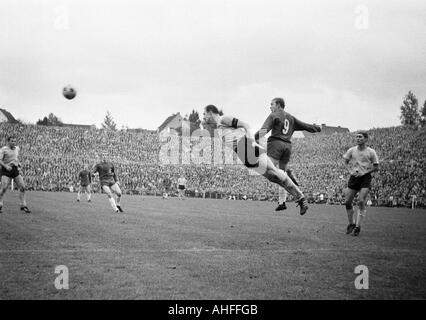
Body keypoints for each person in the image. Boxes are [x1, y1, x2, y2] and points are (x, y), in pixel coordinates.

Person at [203, 104, 308, 215]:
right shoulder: (218, 128)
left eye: (204, 113)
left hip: (249, 147)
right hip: (244, 155)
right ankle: (289, 180)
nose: (203, 116)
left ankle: (300, 197)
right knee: (274, 178)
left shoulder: (224, 119)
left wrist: (252, 142)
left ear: (210, 112)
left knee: (275, 174)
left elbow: (246, 125)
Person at [255, 97, 321, 211]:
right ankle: (282, 202)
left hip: (276, 145)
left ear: (278, 105)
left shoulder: (274, 115)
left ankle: (293, 189)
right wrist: (317, 128)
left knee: (270, 172)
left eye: (272, 104)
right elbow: (306, 126)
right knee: (281, 173)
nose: (270, 107)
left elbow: (264, 130)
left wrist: (253, 138)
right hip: (287, 147)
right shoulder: (291, 118)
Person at [343, 131, 379, 236]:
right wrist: (350, 171)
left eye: (360, 137)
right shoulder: (352, 150)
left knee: (361, 200)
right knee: (347, 202)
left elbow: (376, 167)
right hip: (354, 177)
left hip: (365, 178)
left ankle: (358, 226)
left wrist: (365, 172)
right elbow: (345, 161)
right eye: (357, 137)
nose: (358, 138)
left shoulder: (371, 152)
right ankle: (351, 224)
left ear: (366, 139)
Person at [0, 136, 31, 214]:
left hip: (15, 170)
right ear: (8, 141)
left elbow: (15, 158)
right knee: (3, 188)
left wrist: (18, 163)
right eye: (12, 141)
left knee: (23, 187)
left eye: (15, 141)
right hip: (6, 170)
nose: (14, 142)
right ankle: (0, 204)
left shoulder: (17, 148)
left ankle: (23, 205)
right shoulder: (4, 149)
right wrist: (6, 166)